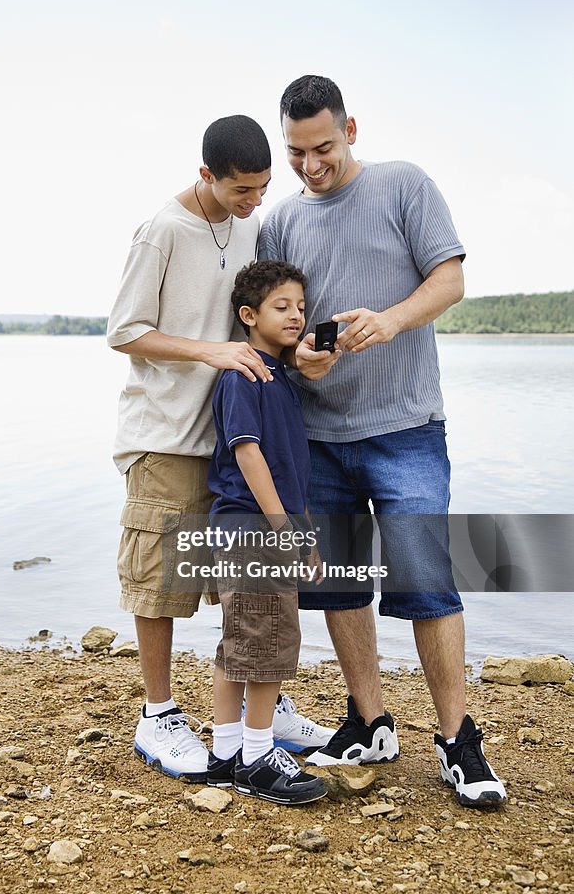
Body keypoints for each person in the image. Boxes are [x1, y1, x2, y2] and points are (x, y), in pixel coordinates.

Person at [258, 75, 506, 808]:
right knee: (336, 583)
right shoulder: (279, 222)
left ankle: (458, 740)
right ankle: (369, 721)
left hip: (405, 430)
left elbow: (451, 279)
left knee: (428, 582)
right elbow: (279, 325)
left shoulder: (404, 186)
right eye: (297, 152)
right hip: (318, 435)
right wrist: (297, 356)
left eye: (323, 147)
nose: (311, 165)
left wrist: (393, 320)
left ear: (352, 129)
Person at [107, 115, 333, 783]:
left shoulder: (248, 225)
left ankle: (261, 709)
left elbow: (261, 316)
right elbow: (124, 330)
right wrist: (210, 351)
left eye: (263, 188)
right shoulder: (162, 230)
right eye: (242, 190)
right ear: (207, 174)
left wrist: (301, 357)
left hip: (232, 446)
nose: (254, 202)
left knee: (245, 591)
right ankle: (158, 715)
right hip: (169, 435)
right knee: (161, 581)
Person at [204, 259, 327, 804]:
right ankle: (256, 757)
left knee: (242, 640)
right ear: (249, 315)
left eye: (301, 306)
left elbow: (287, 464)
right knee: (269, 642)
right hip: (251, 528)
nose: (296, 315)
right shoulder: (243, 373)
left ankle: (227, 750)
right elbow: (247, 452)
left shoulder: (280, 377)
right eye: (282, 307)